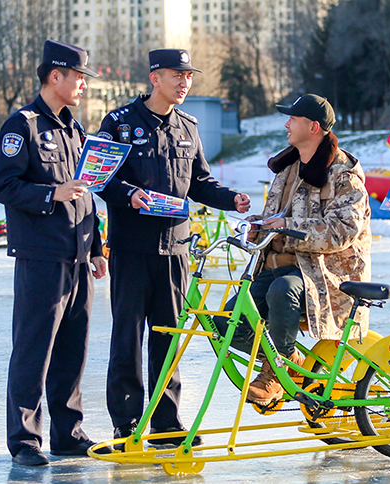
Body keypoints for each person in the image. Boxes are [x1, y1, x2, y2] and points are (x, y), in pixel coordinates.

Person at [96, 49, 251, 447]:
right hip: (132, 249)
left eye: (189, 76)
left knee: (168, 337)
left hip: (176, 251)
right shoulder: (119, 123)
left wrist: (230, 198)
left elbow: (200, 182)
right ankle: (127, 423)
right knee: (127, 338)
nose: (185, 83)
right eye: (177, 75)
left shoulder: (188, 126)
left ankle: (166, 423)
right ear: (154, 78)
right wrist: (128, 194)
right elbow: (100, 178)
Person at [0, 40, 108, 466]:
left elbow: (87, 195)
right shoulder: (23, 126)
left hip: (78, 255)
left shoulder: (75, 130)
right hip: (40, 256)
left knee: (73, 350)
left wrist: (96, 247)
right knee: (34, 349)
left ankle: (68, 433)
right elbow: (0, 185)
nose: (83, 87)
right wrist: (50, 194)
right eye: (78, 78)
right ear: (54, 76)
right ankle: (24, 441)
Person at [213, 93, 372, 406]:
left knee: (282, 291)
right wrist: (258, 223)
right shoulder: (287, 167)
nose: (286, 124)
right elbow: (278, 216)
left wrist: (288, 225)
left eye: (293, 119)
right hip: (275, 266)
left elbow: (344, 231)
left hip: (323, 274)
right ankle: (290, 358)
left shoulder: (344, 173)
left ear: (313, 127)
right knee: (227, 322)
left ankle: (277, 369)